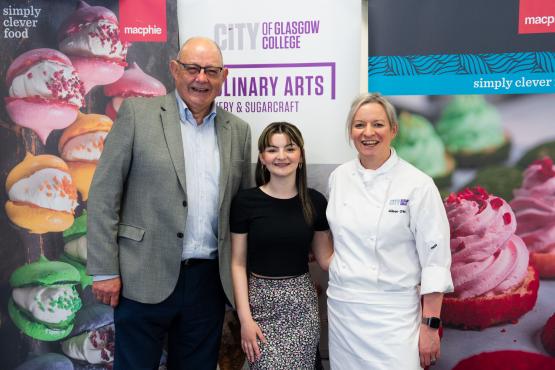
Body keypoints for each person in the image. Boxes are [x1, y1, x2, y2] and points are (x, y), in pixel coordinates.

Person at [86, 37, 252, 370]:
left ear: (224, 76)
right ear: (174, 70)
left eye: (210, 71)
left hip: (207, 283)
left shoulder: (239, 131)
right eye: (192, 68)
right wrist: (104, 269)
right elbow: (104, 193)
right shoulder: (137, 114)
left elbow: (242, 210)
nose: (200, 78)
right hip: (141, 275)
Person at [326, 93, 453, 370]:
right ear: (350, 132)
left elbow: (435, 261)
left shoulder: (418, 184)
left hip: (395, 315)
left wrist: (430, 326)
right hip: (344, 312)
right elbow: (335, 236)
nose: (368, 133)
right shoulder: (338, 178)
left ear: (393, 130)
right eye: (359, 125)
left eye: (378, 124)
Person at [229, 122, 333, 369]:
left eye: (289, 148)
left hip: (301, 307)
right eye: (272, 150)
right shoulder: (246, 202)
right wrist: (245, 318)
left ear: (301, 156)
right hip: (259, 307)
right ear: (262, 158)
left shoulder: (315, 202)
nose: (282, 156)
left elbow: (326, 259)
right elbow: (237, 263)